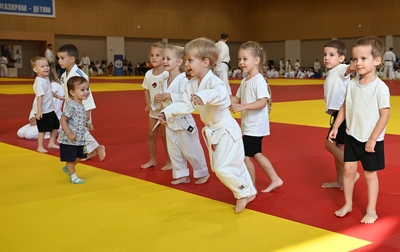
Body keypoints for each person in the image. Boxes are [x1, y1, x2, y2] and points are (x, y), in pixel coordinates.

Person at [159, 37, 256, 213]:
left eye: (190, 60)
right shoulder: (191, 83)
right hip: (214, 131)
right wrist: (167, 112)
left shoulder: (214, 82)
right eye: (186, 60)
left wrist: (203, 96)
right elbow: (186, 104)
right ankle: (250, 191)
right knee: (233, 165)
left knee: (221, 168)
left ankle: (242, 192)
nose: (186, 64)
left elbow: (221, 95)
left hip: (226, 130)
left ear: (205, 62)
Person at [329, 36, 390, 224]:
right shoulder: (353, 83)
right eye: (355, 59)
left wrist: (372, 138)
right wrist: (336, 126)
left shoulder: (380, 88)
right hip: (352, 135)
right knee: (348, 170)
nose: (358, 63)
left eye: (363, 58)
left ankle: (371, 210)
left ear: (377, 61)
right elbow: (346, 106)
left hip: (370, 139)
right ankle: (348, 203)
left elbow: (384, 115)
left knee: (369, 175)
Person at [230, 41, 283, 193]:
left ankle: (251, 186)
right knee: (256, 154)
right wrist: (221, 99)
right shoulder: (245, 80)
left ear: (256, 60)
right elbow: (237, 99)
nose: (241, 62)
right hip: (249, 124)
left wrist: (243, 107)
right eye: (239, 59)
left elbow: (262, 102)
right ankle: (274, 179)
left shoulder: (258, 80)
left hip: (256, 125)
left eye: (245, 59)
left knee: (245, 156)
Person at [154, 44, 209, 185]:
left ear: (179, 62)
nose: (164, 61)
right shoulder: (164, 80)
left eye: (168, 58)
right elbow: (165, 99)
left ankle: (202, 171)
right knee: (174, 150)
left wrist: (170, 95)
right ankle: (182, 174)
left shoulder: (184, 80)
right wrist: (159, 99)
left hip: (183, 120)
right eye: (164, 58)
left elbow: (188, 99)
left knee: (191, 148)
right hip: (169, 120)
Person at [57, 44, 106, 162]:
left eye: (62, 58)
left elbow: (87, 93)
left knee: (81, 131)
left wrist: (87, 112)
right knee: (77, 131)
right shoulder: (64, 75)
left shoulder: (79, 75)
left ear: (72, 59)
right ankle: (88, 151)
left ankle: (98, 147)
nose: (59, 61)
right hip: (70, 108)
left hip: (81, 108)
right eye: (58, 58)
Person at [322, 40, 358, 189]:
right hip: (338, 114)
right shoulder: (331, 73)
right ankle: (340, 180)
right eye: (325, 54)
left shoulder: (340, 69)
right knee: (337, 146)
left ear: (341, 58)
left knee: (329, 144)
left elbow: (350, 68)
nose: (326, 58)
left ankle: (352, 170)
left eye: (331, 54)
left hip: (343, 114)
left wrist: (359, 61)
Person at [141, 41, 171, 170]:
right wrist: (148, 102)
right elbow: (146, 89)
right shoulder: (148, 74)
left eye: (158, 55)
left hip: (166, 110)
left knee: (165, 137)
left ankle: (170, 161)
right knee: (151, 135)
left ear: (164, 58)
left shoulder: (167, 74)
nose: (154, 58)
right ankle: (152, 159)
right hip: (154, 110)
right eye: (152, 55)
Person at [58, 76, 91, 184]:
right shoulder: (71, 105)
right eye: (82, 90)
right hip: (69, 139)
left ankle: (68, 168)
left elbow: (76, 119)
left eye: (87, 89)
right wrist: (69, 133)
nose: (86, 92)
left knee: (81, 156)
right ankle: (73, 176)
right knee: (71, 159)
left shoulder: (81, 104)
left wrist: (87, 124)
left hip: (80, 138)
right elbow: (63, 120)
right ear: (72, 92)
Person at [31, 56, 63, 153]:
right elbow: (39, 97)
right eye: (42, 66)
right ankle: (40, 146)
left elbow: (49, 92)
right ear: (35, 69)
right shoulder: (39, 81)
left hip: (50, 109)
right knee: (43, 130)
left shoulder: (45, 79)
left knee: (56, 125)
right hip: (43, 110)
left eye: (47, 65)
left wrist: (59, 97)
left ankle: (51, 143)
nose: (46, 68)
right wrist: (39, 111)